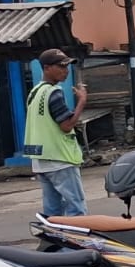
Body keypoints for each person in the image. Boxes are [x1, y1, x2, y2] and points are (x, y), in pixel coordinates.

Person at [25, 49, 89, 218]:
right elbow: (66, 125)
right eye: (61, 66)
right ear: (47, 68)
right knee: (76, 209)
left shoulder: (34, 92)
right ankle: (75, 237)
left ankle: (53, 236)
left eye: (67, 66)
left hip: (41, 159)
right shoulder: (54, 92)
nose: (65, 71)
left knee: (52, 212)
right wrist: (82, 102)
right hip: (60, 159)